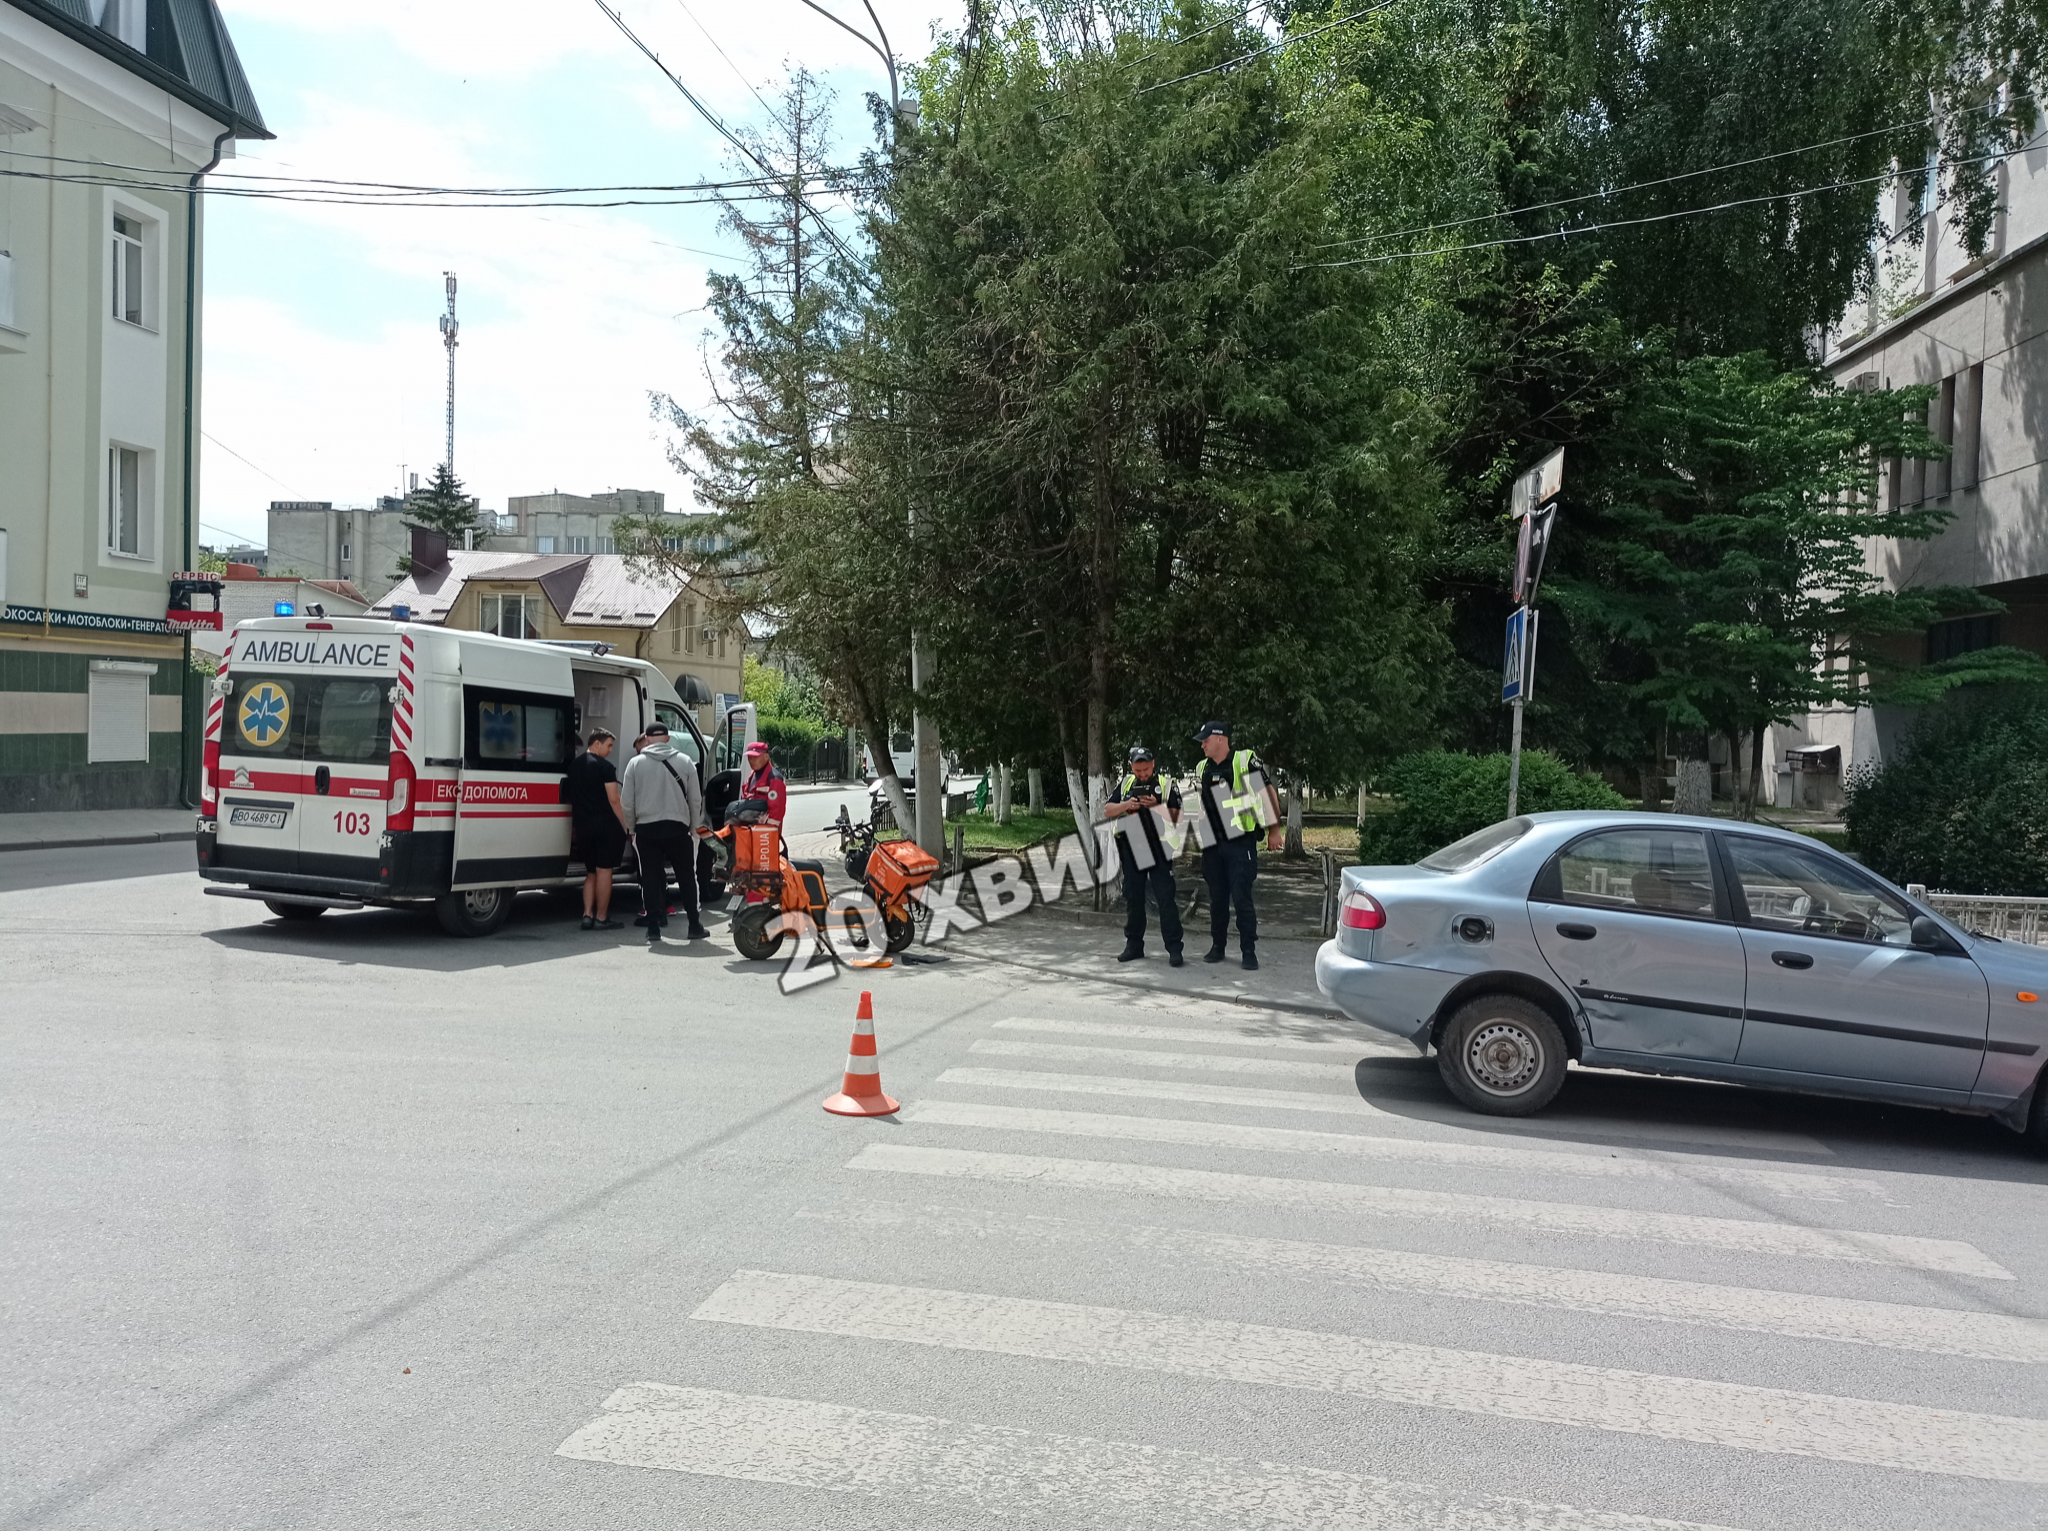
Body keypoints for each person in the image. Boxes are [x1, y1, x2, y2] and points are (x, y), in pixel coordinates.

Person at [1192, 720, 1283, 971]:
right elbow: (1202, 802)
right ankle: (1217, 946)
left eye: (1206, 740)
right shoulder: (1203, 767)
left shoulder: (1243, 762)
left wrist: (1274, 830)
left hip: (1240, 840)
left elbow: (1267, 793)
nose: (1202, 745)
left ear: (1220, 739)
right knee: (1217, 898)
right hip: (1213, 843)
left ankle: (1248, 951)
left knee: (1242, 897)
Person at [620, 722, 710, 944]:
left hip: (646, 829)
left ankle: (653, 928)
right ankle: (694, 925)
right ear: (668, 739)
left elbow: (627, 803)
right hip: (677, 827)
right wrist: (693, 827)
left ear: (647, 740)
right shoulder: (685, 761)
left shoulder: (635, 764)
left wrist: (632, 828)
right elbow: (695, 799)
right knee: (687, 877)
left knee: (650, 878)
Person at [1104, 745, 1184, 966]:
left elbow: (1178, 816)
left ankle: (1175, 949)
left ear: (1153, 765)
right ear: (1132, 767)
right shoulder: (1127, 783)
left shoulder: (1167, 785)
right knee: (1133, 897)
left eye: (1146, 770)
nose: (1143, 774)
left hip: (1159, 848)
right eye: (1138, 770)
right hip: (1132, 848)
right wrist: (1127, 805)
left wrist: (1157, 806)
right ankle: (1134, 946)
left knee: (1165, 898)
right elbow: (1107, 810)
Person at [567, 729, 628, 930]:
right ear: (597, 744)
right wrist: (625, 825)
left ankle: (587, 914)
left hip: (582, 827)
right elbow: (614, 800)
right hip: (605, 827)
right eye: (609, 745)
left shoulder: (574, 766)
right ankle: (601, 918)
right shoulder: (606, 767)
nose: (611, 750)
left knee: (591, 872)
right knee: (604, 872)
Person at [738, 740, 788, 825]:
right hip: (752, 828)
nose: (752, 760)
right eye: (749, 757)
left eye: (755, 757)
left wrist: (767, 831)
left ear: (766, 757)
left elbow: (776, 813)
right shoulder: (752, 775)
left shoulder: (774, 779)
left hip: (764, 833)